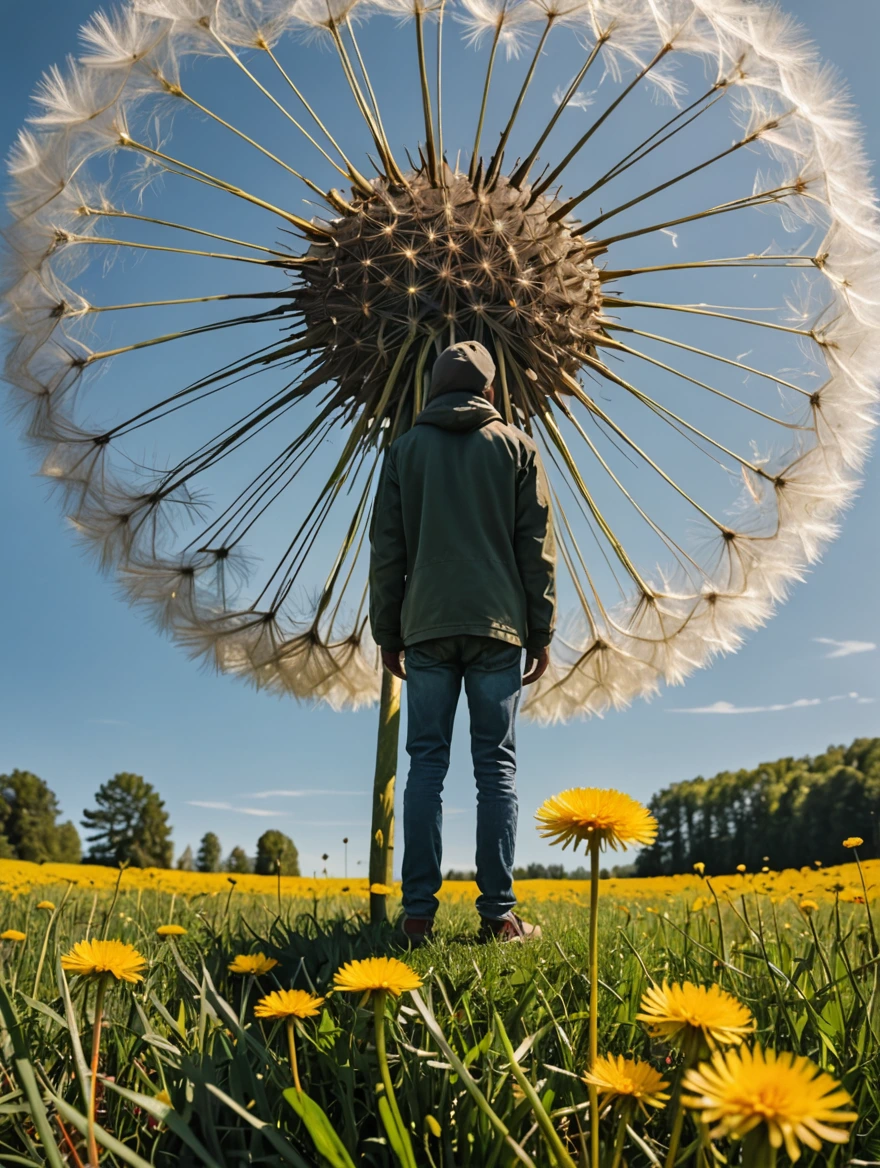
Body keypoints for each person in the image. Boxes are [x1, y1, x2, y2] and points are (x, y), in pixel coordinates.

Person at [369, 340, 557, 945]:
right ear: (491, 391)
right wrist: (541, 630)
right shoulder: (519, 449)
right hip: (498, 628)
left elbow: (387, 551)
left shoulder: (404, 452)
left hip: (425, 625)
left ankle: (418, 916)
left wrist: (388, 630)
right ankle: (499, 916)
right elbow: (537, 550)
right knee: (495, 766)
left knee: (426, 764)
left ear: (432, 389)